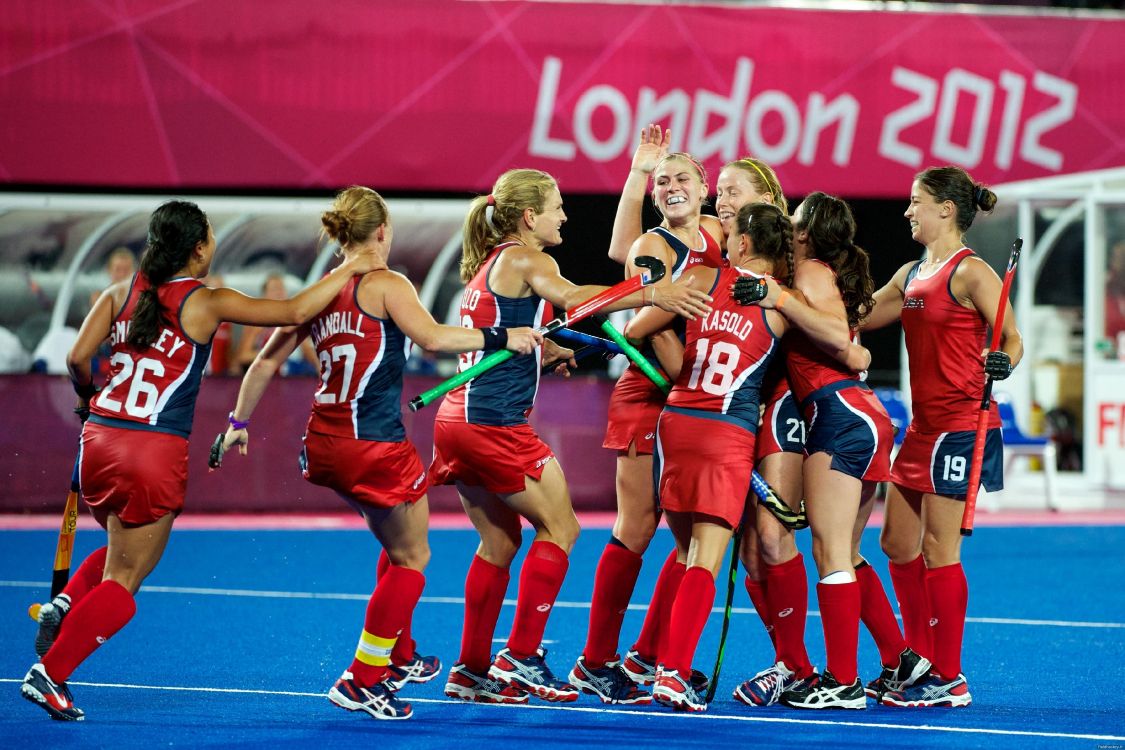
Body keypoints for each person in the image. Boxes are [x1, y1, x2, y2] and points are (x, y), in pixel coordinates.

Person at [20, 200, 385, 721]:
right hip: (151, 448)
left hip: (98, 438)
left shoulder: (118, 293)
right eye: (210, 237)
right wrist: (351, 267)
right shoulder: (205, 301)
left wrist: (85, 399)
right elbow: (295, 312)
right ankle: (49, 674)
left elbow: (78, 359)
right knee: (126, 583)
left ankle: (65, 604)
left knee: (119, 546)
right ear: (197, 248)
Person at [214, 186, 543, 720]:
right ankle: (364, 676)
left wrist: (237, 423)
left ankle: (401, 654)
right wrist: (504, 336)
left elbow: (263, 363)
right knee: (414, 558)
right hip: (374, 445)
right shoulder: (389, 285)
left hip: (324, 443)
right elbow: (434, 339)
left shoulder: (319, 290)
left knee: (395, 540)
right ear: (383, 231)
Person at [431, 168, 712, 705]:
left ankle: (471, 669)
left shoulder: (493, 263)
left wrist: (546, 351)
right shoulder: (527, 258)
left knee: (499, 541)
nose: (565, 216)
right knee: (561, 529)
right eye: (558, 207)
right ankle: (522, 655)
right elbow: (575, 297)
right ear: (529, 216)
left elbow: (507, 332)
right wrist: (655, 293)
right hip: (492, 423)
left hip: (455, 420)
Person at [620, 201, 792, 711]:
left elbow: (635, 330)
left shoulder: (700, 276)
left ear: (740, 244)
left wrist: (678, 349)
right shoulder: (782, 304)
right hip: (727, 433)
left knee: (682, 552)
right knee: (705, 561)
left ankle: (654, 664)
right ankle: (671, 675)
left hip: (677, 423)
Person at [573, 129, 725, 704]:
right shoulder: (655, 248)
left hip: (689, 397)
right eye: (663, 182)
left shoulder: (713, 233)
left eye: (682, 177)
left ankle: (649, 656)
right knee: (636, 527)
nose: (672, 186)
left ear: (706, 189)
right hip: (653, 394)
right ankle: (595, 659)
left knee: (686, 538)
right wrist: (693, 381)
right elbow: (633, 277)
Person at [862, 167, 1022, 708]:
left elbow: (1013, 339)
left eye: (915, 202)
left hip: (962, 426)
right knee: (896, 544)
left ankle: (949, 678)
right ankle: (919, 661)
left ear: (946, 209)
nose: (907, 211)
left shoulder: (971, 272)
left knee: (938, 549)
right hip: (921, 429)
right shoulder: (910, 273)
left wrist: (1004, 360)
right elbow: (859, 317)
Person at [738, 192, 904, 709]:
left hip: (838, 414)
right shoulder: (816, 271)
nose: (787, 224)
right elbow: (852, 346)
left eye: (794, 219)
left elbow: (840, 338)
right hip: (860, 413)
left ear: (806, 232)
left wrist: (779, 299)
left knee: (829, 553)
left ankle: (843, 680)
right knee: (847, 554)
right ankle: (903, 663)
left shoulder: (808, 271)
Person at [230, 273, 320, 375]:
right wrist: (274, 357)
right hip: (269, 380)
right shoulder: (257, 322)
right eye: (274, 289)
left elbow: (308, 352)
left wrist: (320, 369)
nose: (279, 292)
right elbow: (243, 356)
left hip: (292, 380)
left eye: (281, 288)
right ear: (265, 295)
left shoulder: (294, 320)